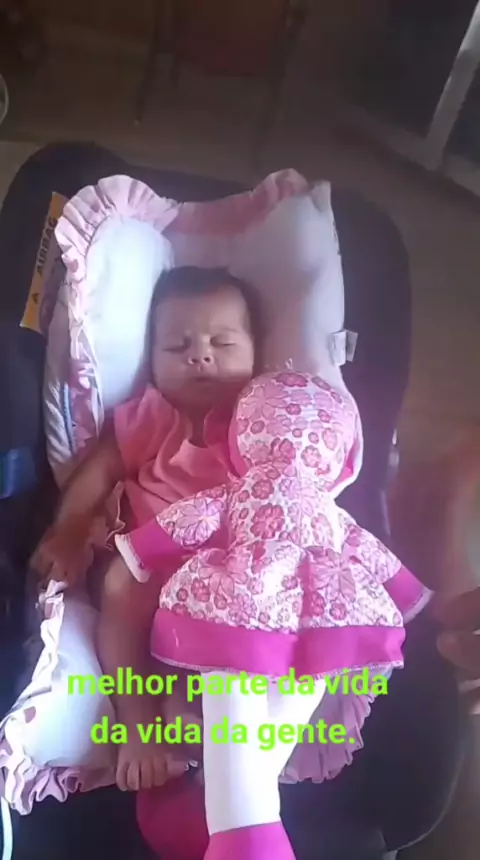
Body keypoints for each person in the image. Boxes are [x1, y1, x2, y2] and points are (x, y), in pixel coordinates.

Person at [30, 266, 259, 793]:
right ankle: (138, 725)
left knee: (233, 653)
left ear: (256, 349)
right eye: (178, 346)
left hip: (229, 574)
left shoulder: (259, 418)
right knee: (120, 587)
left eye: (222, 342)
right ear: (151, 358)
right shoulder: (152, 416)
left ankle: (206, 727)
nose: (200, 356)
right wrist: (69, 528)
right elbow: (98, 472)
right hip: (148, 567)